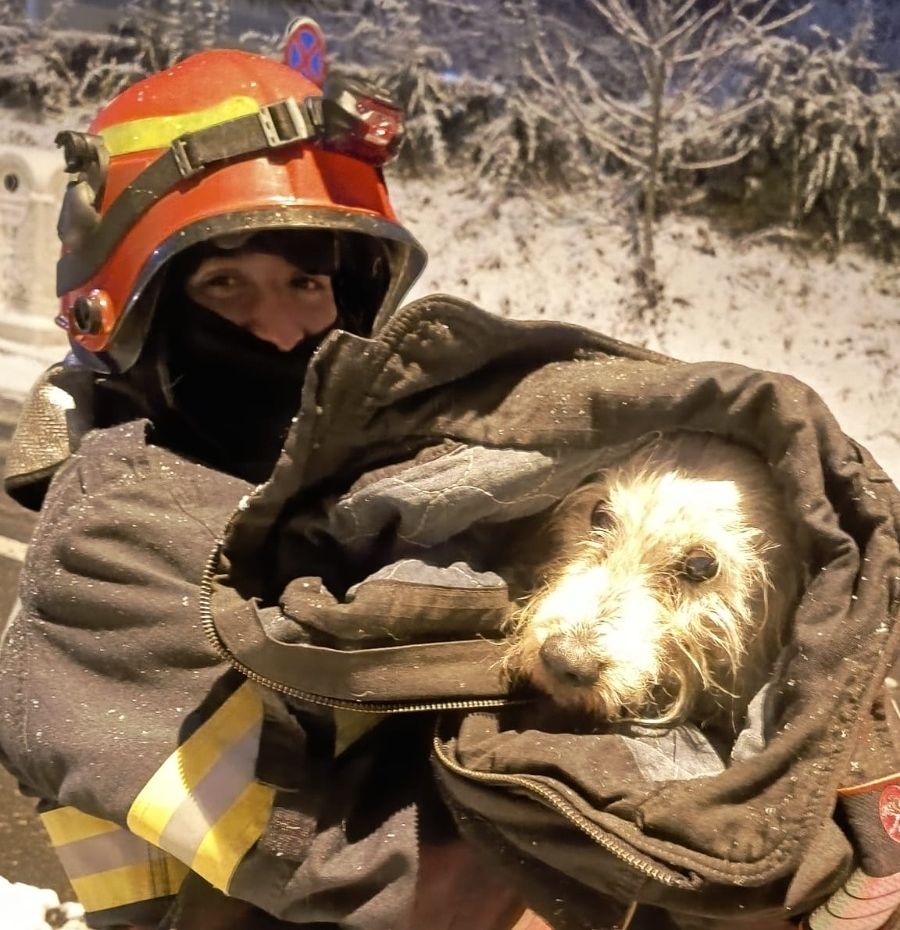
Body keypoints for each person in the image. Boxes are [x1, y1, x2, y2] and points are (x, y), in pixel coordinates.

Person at [0, 39, 548, 930]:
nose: (286, 329)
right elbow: (369, 867)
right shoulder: (105, 554)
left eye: (306, 282)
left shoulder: (307, 484)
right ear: (129, 315)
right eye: (225, 285)